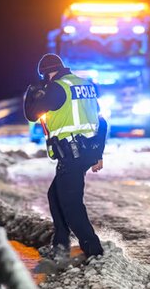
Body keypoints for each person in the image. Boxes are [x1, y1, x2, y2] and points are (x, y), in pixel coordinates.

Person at [24, 54, 107, 262]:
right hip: (86, 150)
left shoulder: (56, 88)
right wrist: (97, 153)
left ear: (46, 73)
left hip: (71, 153)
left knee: (71, 206)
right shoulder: (84, 85)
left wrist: (32, 93)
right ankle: (60, 244)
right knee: (55, 195)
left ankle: (94, 251)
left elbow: (31, 115)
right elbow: (101, 121)